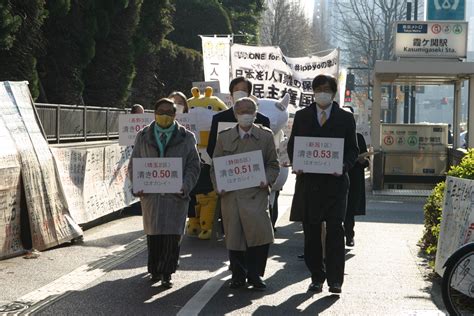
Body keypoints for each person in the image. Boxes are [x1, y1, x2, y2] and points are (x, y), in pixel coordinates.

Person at [287, 74, 358, 295]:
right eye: (318, 89)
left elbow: (353, 150)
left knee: (336, 231)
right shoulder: (302, 116)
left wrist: (344, 166)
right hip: (309, 183)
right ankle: (316, 276)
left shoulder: (346, 118)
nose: (322, 93)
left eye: (326, 89)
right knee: (311, 232)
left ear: (333, 92)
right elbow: (293, 146)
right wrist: (296, 163)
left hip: (336, 184)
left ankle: (335, 280)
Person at [128, 98, 200, 288]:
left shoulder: (187, 137)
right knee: (154, 233)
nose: (165, 115)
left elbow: (194, 165)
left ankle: (167, 271)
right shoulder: (143, 135)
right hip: (151, 195)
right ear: (155, 113)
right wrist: (137, 185)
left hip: (176, 195)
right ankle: (154, 269)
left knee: (172, 234)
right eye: (161, 111)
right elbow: (134, 163)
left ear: (175, 114)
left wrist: (185, 185)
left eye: (170, 112)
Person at [211, 97, 280, 290]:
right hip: (231, 195)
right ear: (235, 114)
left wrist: (266, 179)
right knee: (235, 236)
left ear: (256, 112)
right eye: (241, 110)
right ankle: (238, 275)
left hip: (256, 193)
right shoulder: (224, 137)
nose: (246, 114)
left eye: (250, 109)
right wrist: (219, 186)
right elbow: (216, 167)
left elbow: (273, 164)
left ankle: (255, 274)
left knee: (259, 235)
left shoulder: (265, 136)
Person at [206, 77, 270, 159]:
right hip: (227, 168)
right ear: (231, 95)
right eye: (236, 89)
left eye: (243, 90)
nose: (240, 92)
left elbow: (268, 151)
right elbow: (211, 148)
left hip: (254, 168)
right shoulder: (219, 118)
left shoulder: (263, 120)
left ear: (249, 95)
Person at [342, 106, 369, 247]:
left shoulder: (359, 137)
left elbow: (365, 162)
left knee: (349, 209)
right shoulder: (333, 134)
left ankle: (349, 236)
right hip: (336, 176)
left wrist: (362, 160)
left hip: (354, 178)